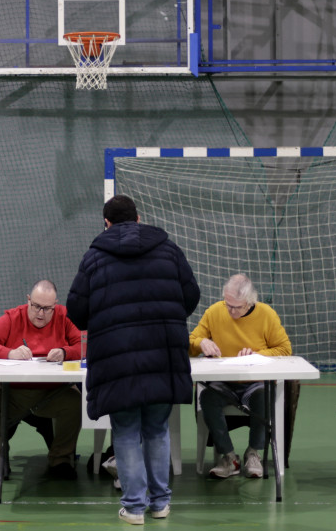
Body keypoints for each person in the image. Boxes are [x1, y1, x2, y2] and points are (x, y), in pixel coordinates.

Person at [67, 195, 200, 525]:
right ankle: (160, 503)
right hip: (162, 355)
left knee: (125, 431)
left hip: (117, 361)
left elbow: (77, 312)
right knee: (157, 429)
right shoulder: (169, 250)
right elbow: (191, 295)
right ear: (139, 218)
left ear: (107, 223)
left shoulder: (95, 258)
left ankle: (134, 507)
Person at [0, 279, 82, 481]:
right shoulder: (13, 317)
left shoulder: (64, 317)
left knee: (75, 402)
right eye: (36, 306)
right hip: (10, 392)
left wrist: (66, 352)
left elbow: (85, 344)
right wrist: (9, 353)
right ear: (28, 300)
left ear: (55, 305)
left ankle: (61, 460)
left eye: (47, 309)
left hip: (52, 392)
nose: (40, 313)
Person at [189, 273, 292, 479]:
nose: (231, 311)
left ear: (250, 302)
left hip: (253, 382)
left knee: (263, 396)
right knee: (207, 398)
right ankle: (228, 456)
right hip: (223, 383)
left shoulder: (266, 314)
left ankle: (253, 453)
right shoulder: (214, 312)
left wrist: (257, 354)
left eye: (237, 307)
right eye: (228, 305)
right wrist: (201, 343)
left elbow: (284, 349)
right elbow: (192, 342)